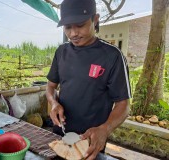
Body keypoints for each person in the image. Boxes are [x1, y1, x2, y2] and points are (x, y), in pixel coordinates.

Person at [46, 0, 131, 159]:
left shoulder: (112, 56)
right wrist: (54, 103)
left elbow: (124, 104)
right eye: (68, 27)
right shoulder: (61, 52)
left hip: (91, 141)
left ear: (95, 19)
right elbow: (50, 87)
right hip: (60, 135)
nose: (73, 33)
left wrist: (104, 129)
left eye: (80, 25)